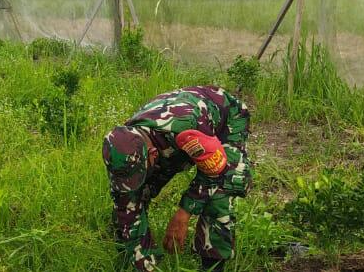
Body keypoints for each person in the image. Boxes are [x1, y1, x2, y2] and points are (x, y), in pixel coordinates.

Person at [102, 86, 252, 272]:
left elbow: (214, 173)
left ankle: (212, 265)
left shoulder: (185, 127)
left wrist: (184, 213)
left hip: (225, 120)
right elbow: (125, 203)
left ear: (153, 154)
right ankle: (139, 263)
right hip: (171, 139)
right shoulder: (125, 144)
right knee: (129, 197)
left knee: (221, 189)